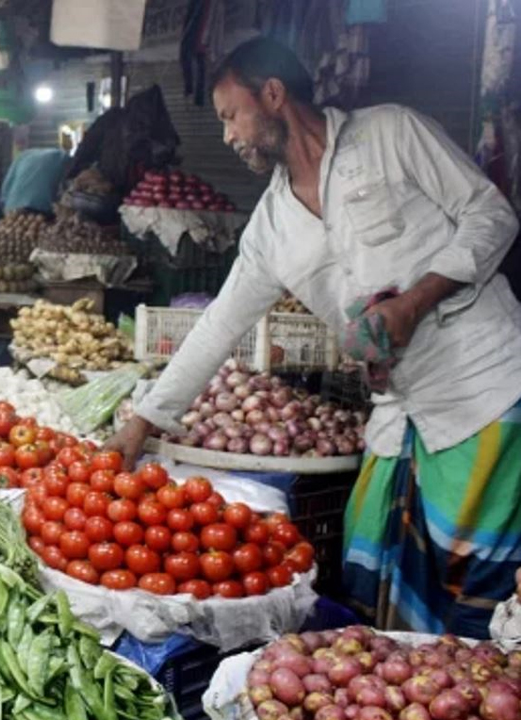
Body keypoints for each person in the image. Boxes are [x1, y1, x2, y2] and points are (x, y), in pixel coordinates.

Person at [104, 37, 521, 638]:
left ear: (273, 95)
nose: (225, 137)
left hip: (481, 388)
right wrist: (142, 422)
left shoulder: (391, 135)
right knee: (366, 561)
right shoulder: (272, 225)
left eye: (229, 116)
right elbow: (220, 325)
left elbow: (493, 214)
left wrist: (415, 300)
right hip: (401, 413)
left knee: (475, 584)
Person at [0, 147, 70, 215]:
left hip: (12, 207)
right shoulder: (63, 158)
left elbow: (6, 187)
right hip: (42, 210)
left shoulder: (23, 156)